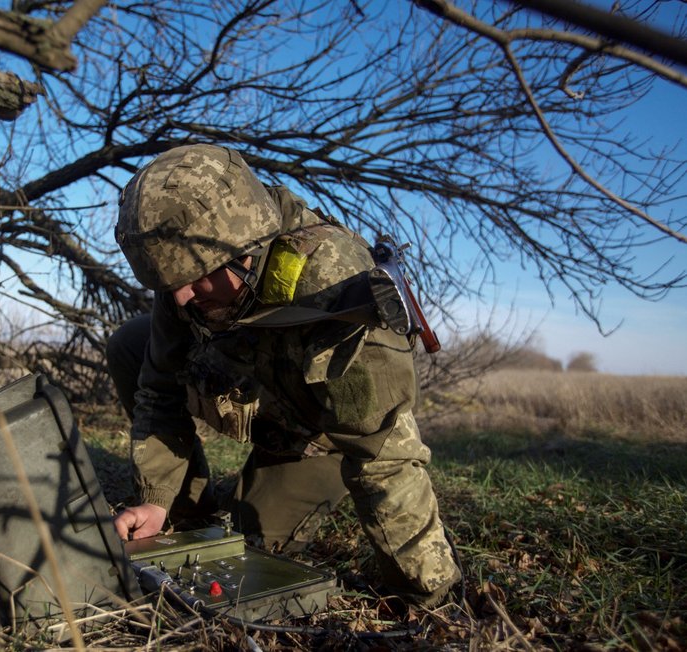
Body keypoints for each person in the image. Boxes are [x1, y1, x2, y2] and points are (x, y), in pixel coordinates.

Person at [106, 144, 461, 608]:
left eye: (195, 278)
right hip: (263, 395)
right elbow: (158, 389)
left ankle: (252, 499)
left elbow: (382, 451)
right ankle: (185, 516)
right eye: (166, 284)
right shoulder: (188, 271)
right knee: (131, 344)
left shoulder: (337, 285)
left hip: (320, 435)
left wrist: (429, 590)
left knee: (250, 549)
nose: (180, 299)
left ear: (246, 247)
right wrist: (156, 497)